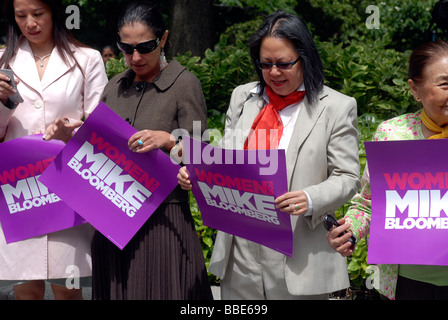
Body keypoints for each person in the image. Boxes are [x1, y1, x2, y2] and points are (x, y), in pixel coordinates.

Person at [178, 10, 360, 300]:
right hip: (240, 252)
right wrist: (198, 173)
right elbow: (226, 158)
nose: (274, 73)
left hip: (298, 253)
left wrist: (310, 197)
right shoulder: (243, 98)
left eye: (284, 64)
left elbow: (348, 177)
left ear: (305, 58)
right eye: (265, 64)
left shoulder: (337, 107)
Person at [43, 0, 212, 300]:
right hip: (111, 221)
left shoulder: (184, 84)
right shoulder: (114, 86)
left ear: (163, 39)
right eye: (125, 47)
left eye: (145, 47)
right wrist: (69, 136)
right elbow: (95, 150)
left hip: (161, 223)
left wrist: (169, 140)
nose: (134, 57)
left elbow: (203, 156)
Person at [0, 0, 107, 299]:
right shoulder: (2, 61)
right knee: (26, 290)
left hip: (68, 185)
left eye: (38, 14)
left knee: (68, 290)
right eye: (21, 16)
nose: (30, 23)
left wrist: (70, 134)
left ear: (56, 12)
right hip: (20, 186)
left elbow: (101, 126)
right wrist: (2, 103)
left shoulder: (86, 59)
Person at [327, 40, 448, 300]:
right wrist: (349, 231)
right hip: (408, 283)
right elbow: (369, 205)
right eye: (445, 83)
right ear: (415, 89)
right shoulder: (393, 134)